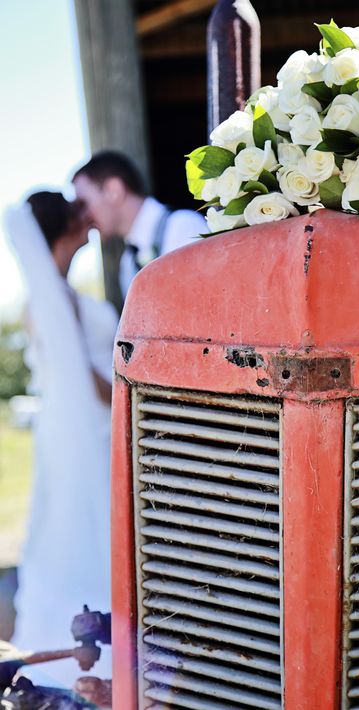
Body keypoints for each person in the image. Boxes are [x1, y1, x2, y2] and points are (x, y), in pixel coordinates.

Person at [4, 193, 118, 687]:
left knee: (62, 524)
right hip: (92, 433)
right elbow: (91, 381)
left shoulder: (41, 303)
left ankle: (69, 637)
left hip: (60, 436)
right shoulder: (66, 303)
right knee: (94, 526)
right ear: (66, 229)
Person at [72, 150, 208, 298]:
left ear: (113, 190)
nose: (83, 217)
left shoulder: (183, 226)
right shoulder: (127, 264)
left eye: (83, 204)